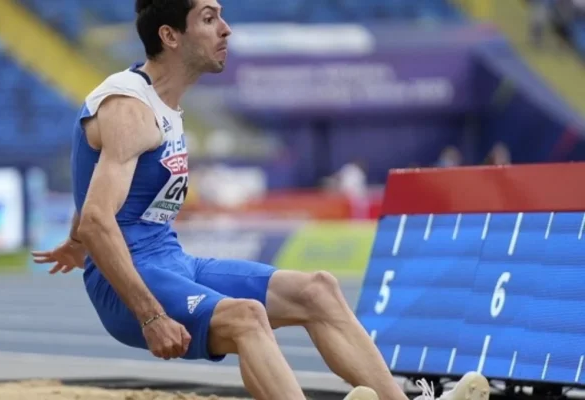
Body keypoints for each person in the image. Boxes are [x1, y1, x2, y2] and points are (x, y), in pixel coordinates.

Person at [31, 1, 491, 399]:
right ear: (170, 35)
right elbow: (97, 219)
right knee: (248, 318)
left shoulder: (160, 101)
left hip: (170, 261)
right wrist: (150, 315)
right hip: (129, 284)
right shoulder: (130, 110)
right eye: (209, 18)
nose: (226, 29)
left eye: (222, 16)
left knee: (318, 289)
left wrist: (75, 239)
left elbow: (94, 194)